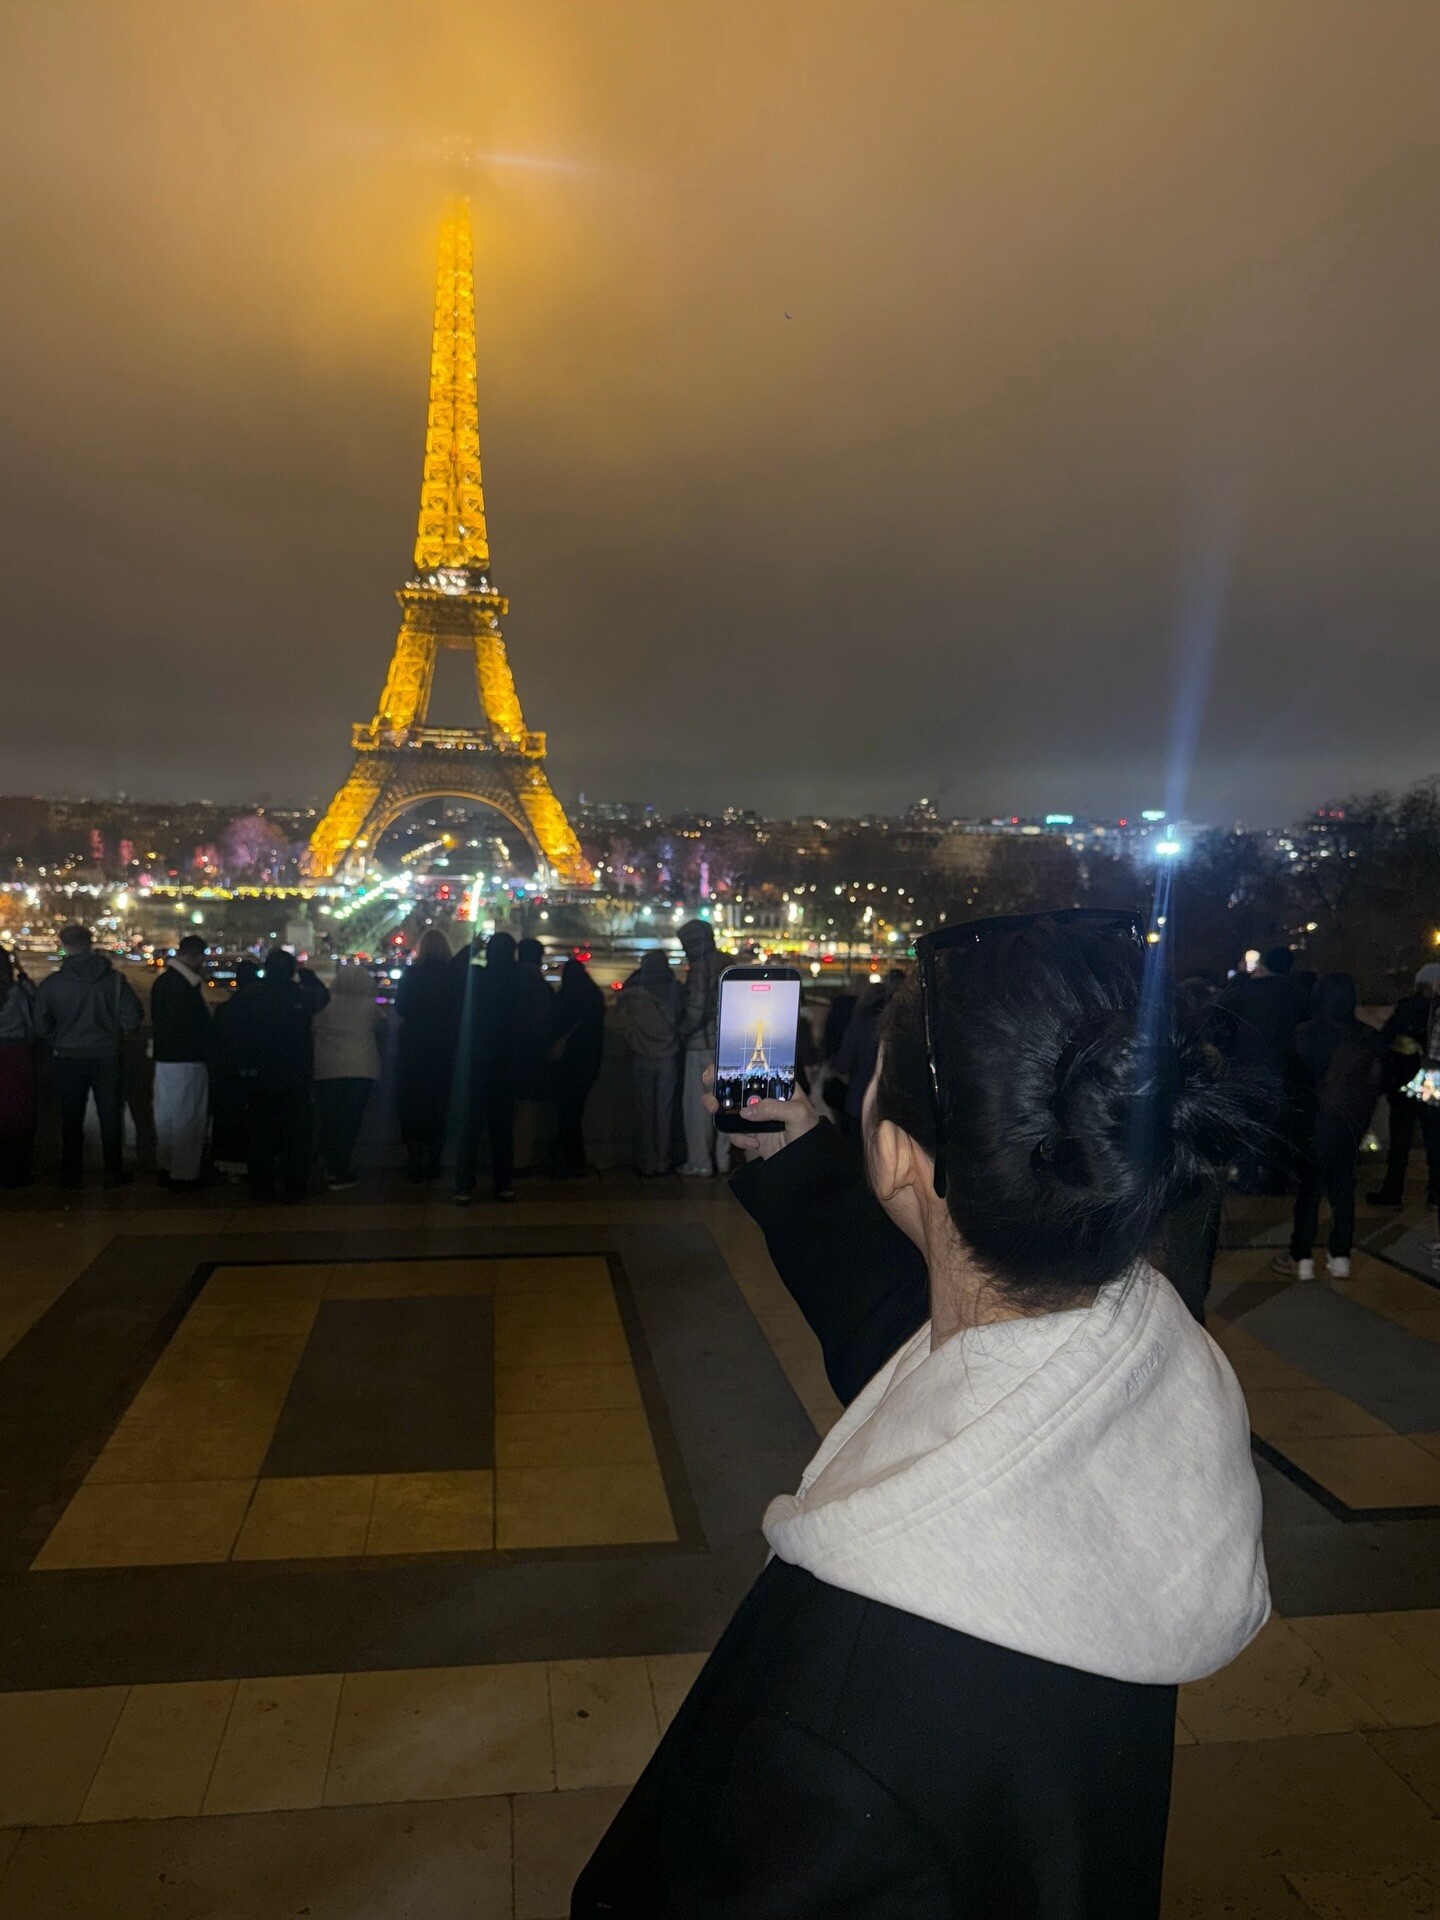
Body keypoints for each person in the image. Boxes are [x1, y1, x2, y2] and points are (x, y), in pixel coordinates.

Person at [574, 909, 1267, 1918]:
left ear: (897, 1152)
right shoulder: (1145, 1375)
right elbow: (923, 1336)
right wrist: (797, 1158)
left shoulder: (849, 1707)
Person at [1274, 973, 1384, 1282]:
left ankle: (1302, 1256)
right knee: (1344, 1189)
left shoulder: (1305, 1034)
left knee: (1309, 1191)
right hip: (1351, 1124)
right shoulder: (1365, 1036)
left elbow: (1290, 1083)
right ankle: (1341, 1257)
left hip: (1313, 1123)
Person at [34, 923, 143, 1188]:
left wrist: (59, 1038)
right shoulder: (114, 981)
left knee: (71, 1117)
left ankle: (71, 1174)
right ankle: (113, 1171)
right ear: (90, 943)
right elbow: (132, 1016)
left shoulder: (53, 984)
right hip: (107, 1055)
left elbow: (40, 1024)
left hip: (68, 1056)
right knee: (110, 1114)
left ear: (64, 946)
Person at [226, 947, 330, 1202]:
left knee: (259, 1134)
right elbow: (322, 999)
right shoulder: (300, 995)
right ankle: (295, 1186)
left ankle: (262, 1186)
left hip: (259, 1074)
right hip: (295, 1074)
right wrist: (308, 976)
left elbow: (235, 1032)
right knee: (296, 1135)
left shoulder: (250, 995)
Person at [1216, 945, 1313, 1192]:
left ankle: (1248, 1178)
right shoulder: (1299, 993)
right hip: (1286, 1067)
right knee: (1280, 1124)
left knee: (1250, 1124)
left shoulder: (1249, 990)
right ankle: (1277, 1180)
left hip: (1249, 1065)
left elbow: (1217, 1008)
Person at [454, 930, 521, 1204]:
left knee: (470, 1128)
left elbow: (455, 970)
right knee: (502, 1129)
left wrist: (473, 947)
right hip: (506, 1065)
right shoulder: (518, 980)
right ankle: (504, 1184)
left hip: (477, 1062)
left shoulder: (479, 978)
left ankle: (464, 1186)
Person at [1368, 961, 1440, 1208]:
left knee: (1400, 1137)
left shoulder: (1409, 1007)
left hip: (1406, 1078)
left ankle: (1393, 1191)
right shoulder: (1434, 1009)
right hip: (1433, 1079)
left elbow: (1385, 1038)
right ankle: (1435, 1193)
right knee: (1434, 1137)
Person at [312, 962, 387, 1190]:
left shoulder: (325, 1005)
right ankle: (339, 1170)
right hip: (360, 1069)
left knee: (329, 1120)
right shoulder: (370, 1007)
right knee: (349, 1122)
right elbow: (384, 1026)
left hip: (326, 1069)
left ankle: (322, 1162)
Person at [395, 928, 458, 1182]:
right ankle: (434, 1160)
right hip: (444, 1048)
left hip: (414, 1047)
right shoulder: (453, 976)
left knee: (413, 1105)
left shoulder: (412, 974)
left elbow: (400, 1008)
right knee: (438, 1105)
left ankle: (414, 1161)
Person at [150, 935, 213, 1190]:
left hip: (165, 1058)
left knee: (166, 1115)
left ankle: (166, 1167)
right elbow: (196, 1026)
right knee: (188, 1117)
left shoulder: (164, 982)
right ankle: (184, 1174)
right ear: (197, 956)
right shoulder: (185, 987)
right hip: (188, 1059)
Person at [620, 948, 683, 1176]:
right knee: (664, 1112)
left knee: (644, 1112)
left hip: (642, 1055)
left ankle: (647, 1160)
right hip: (668, 1057)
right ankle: (662, 1160)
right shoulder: (674, 989)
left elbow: (620, 1015)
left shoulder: (634, 989)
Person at [676, 918, 726, 1175]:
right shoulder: (726, 962)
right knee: (725, 1104)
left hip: (700, 1046)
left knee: (698, 1108)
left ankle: (700, 1162)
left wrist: (681, 1032)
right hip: (726, 1046)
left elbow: (695, 1012)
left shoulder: (699, 968)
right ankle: (723, 1159)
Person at [828, 968, 906, 1133]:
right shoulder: (899, 1025)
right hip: (893, 1104)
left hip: (858, 1100)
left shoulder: (860, 1024)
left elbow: (843, 1063)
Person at [549, 957, 606, 1176]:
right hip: (587, 1066)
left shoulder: (564, 999)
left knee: (566, 1114)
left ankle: (569, 1160)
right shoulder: (594, 999)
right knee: (574, 1113)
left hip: (565, 1066)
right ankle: (574, 1159)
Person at [209, 959, 259, 1178]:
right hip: (255, 1071)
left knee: (228, 1118)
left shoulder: (225, 1010)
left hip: (228, 1071)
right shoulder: (261, 1010)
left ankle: (227, 1163)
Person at [512, 936, 556, 1175]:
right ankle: (520, 1162)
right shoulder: (540, 989)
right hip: (532, 1060)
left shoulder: (507, 983)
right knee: (527, 1115)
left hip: (506, 1059)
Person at [0, 947, 38, 1187]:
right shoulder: (18, 992)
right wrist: (21, 972)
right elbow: (33, 1018)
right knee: (16, 1110)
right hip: (15, 1054)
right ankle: (16, 1172)